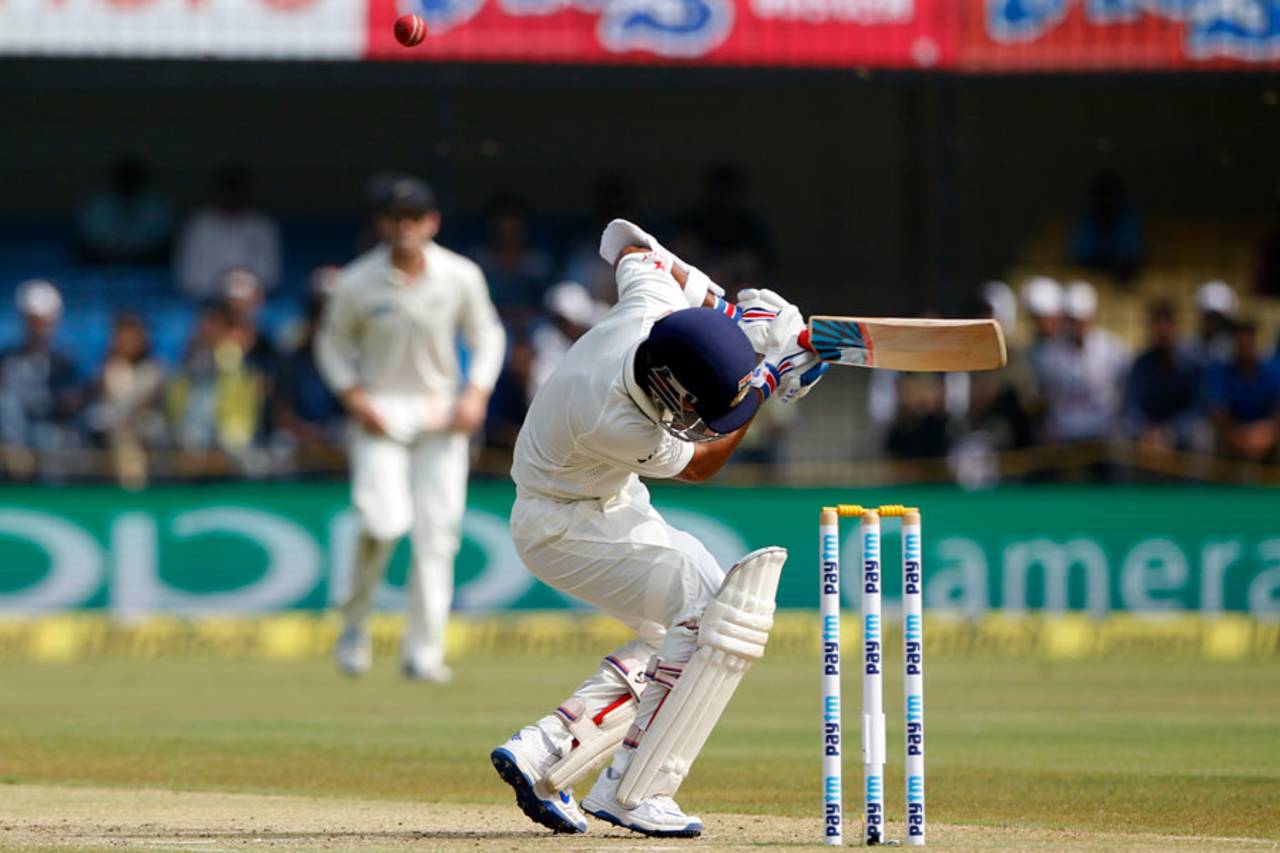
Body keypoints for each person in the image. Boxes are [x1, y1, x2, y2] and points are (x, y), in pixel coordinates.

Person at [490, 219, 824, 837]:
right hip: (562, 526)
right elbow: (702, 463)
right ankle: (634, 792)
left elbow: (629, 245)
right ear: (670, 389)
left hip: (604, 504)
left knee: (690, 630)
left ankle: (547, 749)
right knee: (713, 615)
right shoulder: (621, 419)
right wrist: (769, 373)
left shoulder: (649, 311)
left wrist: (730, 307)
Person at [317, 173, 505, 682]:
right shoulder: (356, 281)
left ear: (432, 222)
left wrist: (475, 393)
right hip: (379, 414)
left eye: (415, 217)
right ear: (381, 224)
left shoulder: (460, 275)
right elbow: (331, 345)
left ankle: (424, 651)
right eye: (395, 218)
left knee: (435, 537)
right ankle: (354, 626)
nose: (405, 227)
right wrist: (355, 398)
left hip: (442, 415)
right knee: (382, 523)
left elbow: (487, 335)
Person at [1036, 281, 1129, 446]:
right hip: (1063, 435)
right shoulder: (1049, 354)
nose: (1078, 325)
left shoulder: (1113, 349)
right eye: (1074, 319)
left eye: (1082, 319)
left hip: (1103, 434)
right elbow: (1047, 395)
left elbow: (1123, 388)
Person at [0, 281, 81, 460]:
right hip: (11, 433)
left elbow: (70, 403)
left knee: (48, 438)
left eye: (42, 323)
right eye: (32, 322)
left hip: (49, 429)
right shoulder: (6, 358)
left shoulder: (63, 362)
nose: (37, 329)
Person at [174, 166, 282, 299]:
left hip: (251, 302)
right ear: (217, 192)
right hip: (204, 300)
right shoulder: (199, 224)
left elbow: (269, 276)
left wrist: (240, 289)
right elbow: (188, 278)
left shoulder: (262, 225)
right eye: (227, 190)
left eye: (237, 190)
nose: (232, 196)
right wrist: (222, 289)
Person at [86, 313, 166, 488]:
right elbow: (102, 401)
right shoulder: (108, 368)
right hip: (114, 429)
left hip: (144, 428)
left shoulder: (154, 368)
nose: (126, 342)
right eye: (122, 337)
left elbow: (150, 402)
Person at [1122, 301, 1204, 452]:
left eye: (1167, 321)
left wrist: (1170, 432)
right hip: (1147, 434)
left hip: (1179, 435)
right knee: (1122, 432)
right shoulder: (1141, 363)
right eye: (1157, 322)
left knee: (1201, 435)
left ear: (1176, 326)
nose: (1162, 329)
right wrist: (1146, 431)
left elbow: (1196, 408)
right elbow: (1130, 406)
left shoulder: (1192, 363)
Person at [77, 155, 174, 265]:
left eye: (132, 178)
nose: (127, 182)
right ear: (115, 179)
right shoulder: (97, 206)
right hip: (103, 263)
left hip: (146, 263)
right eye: (124, 178)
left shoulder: (157, 206)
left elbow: (166, 244)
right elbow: (85, 243)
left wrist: (135, 254)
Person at [1206, 321, 1280, 462]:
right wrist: (1239, 438)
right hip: (1234, 436)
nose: (1245, 346)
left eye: (1249, 341)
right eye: (1241, 341)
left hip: (1266, 434)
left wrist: (1268, 432)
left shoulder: (1274, 371)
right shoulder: (1221, 372)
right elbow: (1218, 413)